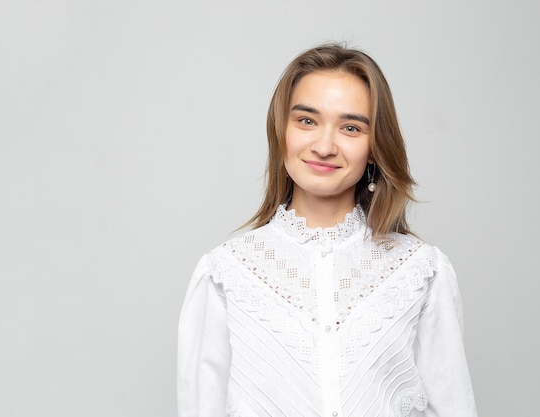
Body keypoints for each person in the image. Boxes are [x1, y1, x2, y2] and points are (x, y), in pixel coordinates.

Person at [177, 42, 478, 417]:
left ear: (374, 147)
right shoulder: (225, 273)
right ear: (280, 130)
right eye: (307, 120)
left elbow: (452, 408)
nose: (324, 145)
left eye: (350, 127)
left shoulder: (421, 272)